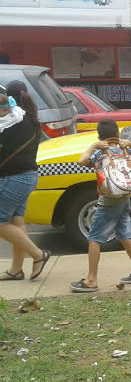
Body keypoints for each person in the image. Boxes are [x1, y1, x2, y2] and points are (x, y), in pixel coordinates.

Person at [70, 118, 131, 292]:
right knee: (123, 235)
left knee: (94, 238)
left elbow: (81, 161)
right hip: (125, 197)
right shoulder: (125, 149)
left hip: (108, 201)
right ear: (117, 134)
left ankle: (91, 280)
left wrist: (94, 146)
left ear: (100, 136)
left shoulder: (100, 153)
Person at [0, 81, 51, 281]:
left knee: (1, 223)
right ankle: (15, 270)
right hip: (28, 176)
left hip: (13, 178)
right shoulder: (29, 118)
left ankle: (38, 255)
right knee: (16, 221)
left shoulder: (9, 124)